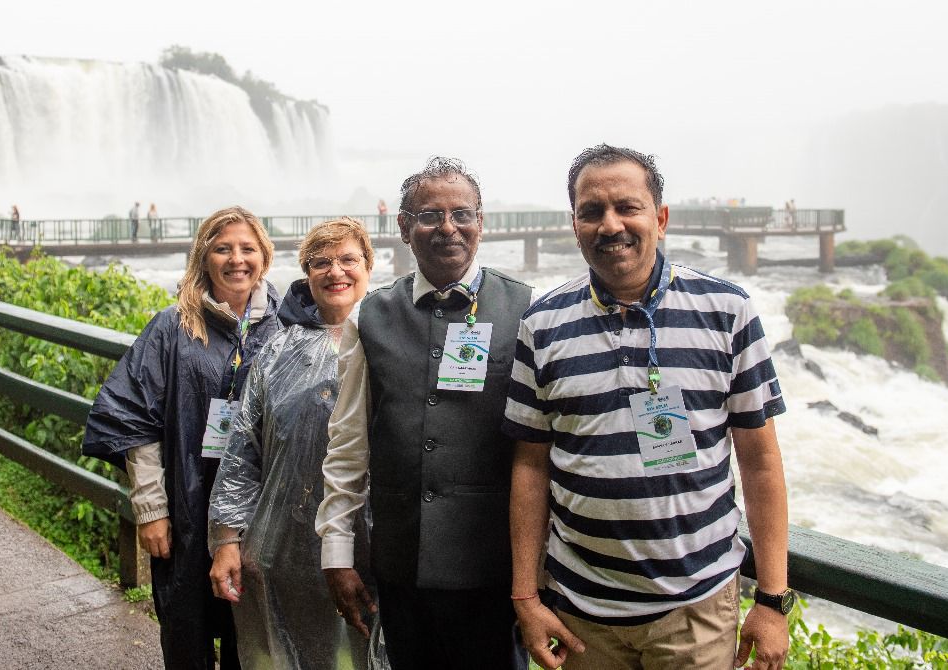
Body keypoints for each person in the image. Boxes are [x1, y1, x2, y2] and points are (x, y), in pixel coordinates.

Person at [504, 144, 791, 670]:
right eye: (592, 212)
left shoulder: (727, 311)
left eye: (627, 207)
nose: (610, 225)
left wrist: (772, 601)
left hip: (695, 614)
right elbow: (530, 464)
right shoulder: (542, 325)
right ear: (575, 225)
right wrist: (526, 596)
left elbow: (760, 460)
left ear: (659, 218)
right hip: (581, 615)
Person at [317, 157, 532, 670]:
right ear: (404, 226)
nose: (448, 228)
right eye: (430, 215)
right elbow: (348, 442)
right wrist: (337, 552)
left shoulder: (527, 310)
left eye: (462, 214)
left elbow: (541, 447)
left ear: (482, 223)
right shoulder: (370, 315)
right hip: (400, 561)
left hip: (495, 565)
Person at [83, 207, 282, 670]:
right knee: (186, 636)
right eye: (223, 248)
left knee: (252, 642)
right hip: (186, 512)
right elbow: (136, 422)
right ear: (204, 256)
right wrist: (151, 511)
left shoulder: (282, 328)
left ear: (264, 256)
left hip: (258, 517)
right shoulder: (173, 327)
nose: (237, 259)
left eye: (247, 248)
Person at [208, 218, 385, 670]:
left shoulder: (393, 343)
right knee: (305, 656)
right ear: (306, 273)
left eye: (348, 260)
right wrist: (228, 539)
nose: (336, 272)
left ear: (369, 267)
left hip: (376, 547)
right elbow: (242, 451)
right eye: (321, 262)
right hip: (287, 547)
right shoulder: (277, 351)